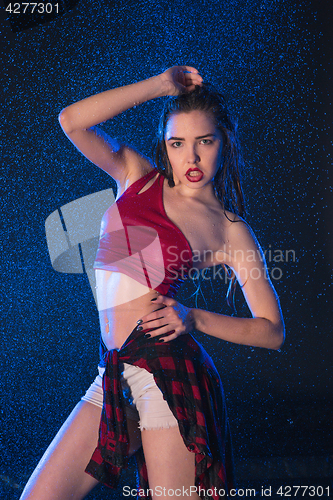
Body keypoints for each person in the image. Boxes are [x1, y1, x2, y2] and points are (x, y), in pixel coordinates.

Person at [20, 66, 285, 500]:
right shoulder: (136, 177)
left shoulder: (230, 228)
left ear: (224, 142)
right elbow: (72, 121)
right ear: (165, 144)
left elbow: (272, 330)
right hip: (111, 372)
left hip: (167, 374)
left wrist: (194, 317)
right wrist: (160, 86)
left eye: (205, 142)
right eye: (178, 143)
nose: (192, 158)